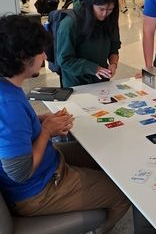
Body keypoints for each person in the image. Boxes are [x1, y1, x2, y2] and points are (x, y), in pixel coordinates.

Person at [0, 14, 130, 233]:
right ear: (23, 57)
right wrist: (47, 131)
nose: (44, 56)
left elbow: (17, 131)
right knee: (124, 193)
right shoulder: (8, 105)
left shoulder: (8, 86)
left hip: (48, 166)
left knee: (103, 152)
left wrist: (43, 121)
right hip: (38, 191)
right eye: (40, 51)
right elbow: (20, 172)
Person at [56, 0, 120, 87]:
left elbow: (114, 48)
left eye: (110, 10)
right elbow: (65, 60)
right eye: (101, 9)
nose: (105, 14)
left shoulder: (110, 19)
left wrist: (113, 64)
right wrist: (94, 68)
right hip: (75, 83)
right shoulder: (70, 23)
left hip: (100, 80)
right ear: (91, 5)